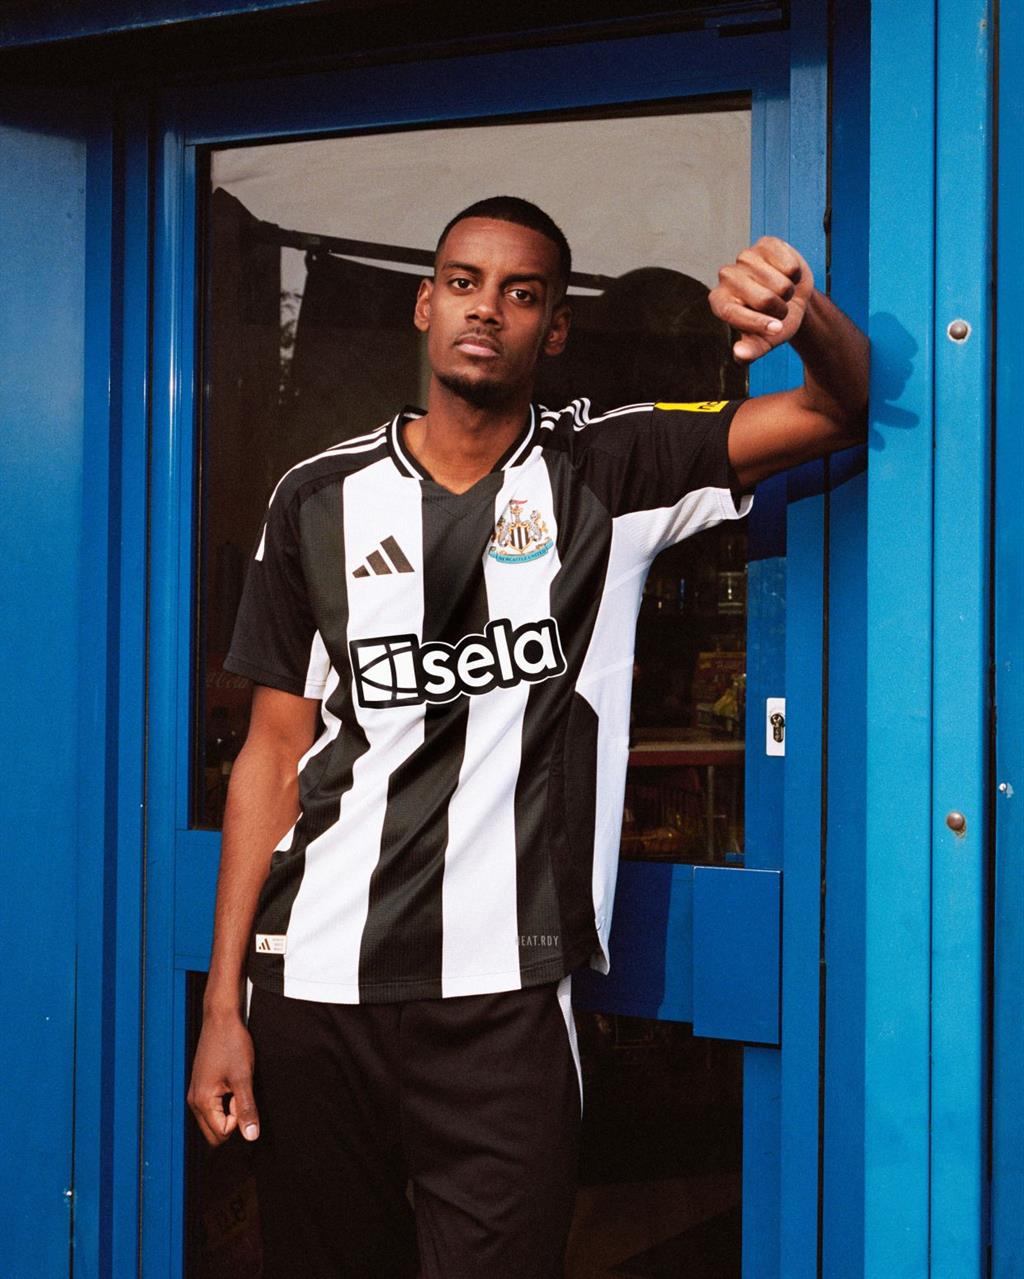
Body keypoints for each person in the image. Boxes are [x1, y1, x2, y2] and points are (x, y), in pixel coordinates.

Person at [188, 195, 868, 1277]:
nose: (485, 309)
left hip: (502, 1007)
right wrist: (224, 1004)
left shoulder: (610, 471)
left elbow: (840, 409)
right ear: (424, 305)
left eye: (521, 293)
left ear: (555, 328)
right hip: (312, 989)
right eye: (463, 283)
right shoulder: (316, 497)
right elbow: (272, 756)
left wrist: (804, 319)